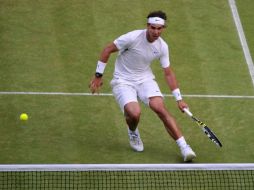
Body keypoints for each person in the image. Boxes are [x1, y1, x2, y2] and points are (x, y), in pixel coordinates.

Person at [89, 10, 196, 162]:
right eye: (153, 28)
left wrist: (179, 99)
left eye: (159, 28)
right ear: (147, 26)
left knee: (160, 108)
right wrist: (98, 76)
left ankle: (184, 147)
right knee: (134, 113)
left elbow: (168, 73)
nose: (156, 32)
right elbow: (107, 50)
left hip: (145, 79)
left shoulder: (162, 47)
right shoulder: (132, 37)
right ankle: (133, 131)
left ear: (163, 29)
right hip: (123, 80)